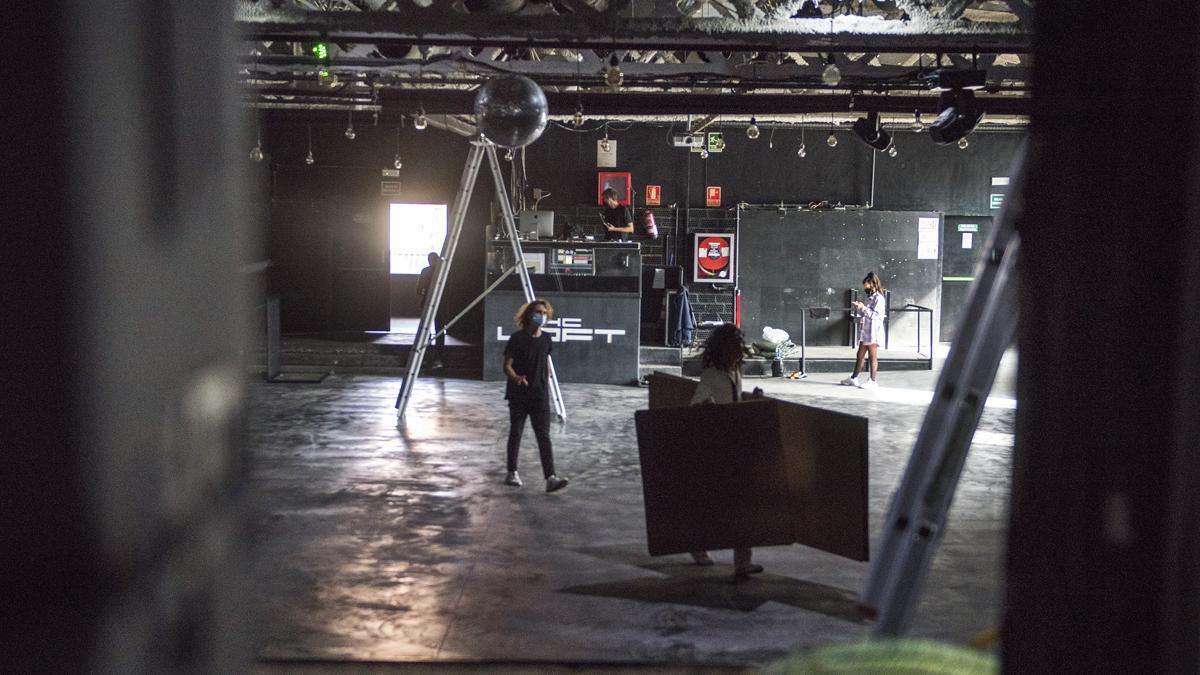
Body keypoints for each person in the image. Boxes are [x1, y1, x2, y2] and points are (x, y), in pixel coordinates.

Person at [688, 323, 765, 580]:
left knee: (742, 505)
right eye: (732, 347)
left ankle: (743, 561)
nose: (737, 352)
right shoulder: (711, 375)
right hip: (718, 447)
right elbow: (696, 404)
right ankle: (698, 546)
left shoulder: (736, 371)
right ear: (722, 349)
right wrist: (706, 407)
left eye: (738, 347)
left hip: (736, 443)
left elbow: (735, 400)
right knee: (714, 504)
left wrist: (751, 400)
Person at [503, 299, 569, 493]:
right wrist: (516, 378)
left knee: (544, 436)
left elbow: (545, 360)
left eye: (544, 312)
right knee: (516, 433)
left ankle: (550, 477)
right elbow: (506, 366)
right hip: (519, 394)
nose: (542, 315)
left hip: (540, 395)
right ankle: (512, 472)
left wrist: (546, 377)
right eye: (538, 312)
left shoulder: (546, 339)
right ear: (529, 315)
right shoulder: (517, 339)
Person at [841, 271, 886, 390]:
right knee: (860, 355)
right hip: (866, 331)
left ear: (872, 284)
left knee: (872, 356)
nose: (864, 287)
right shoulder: (870, 298)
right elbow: (866, 312)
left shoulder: (879, 299)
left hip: (873, 332)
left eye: (865, 284)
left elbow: (876, 316)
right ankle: (854, 378)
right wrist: (859, 307)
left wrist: (863, 308)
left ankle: (873, 380)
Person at [416, 252, 445, 368]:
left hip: (427, 303)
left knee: (426, 330)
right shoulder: (442, 271)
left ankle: (426, 355)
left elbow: (419, 290)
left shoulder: (425, 271)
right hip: (440, 304)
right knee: (440, 330)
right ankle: (439, 358)